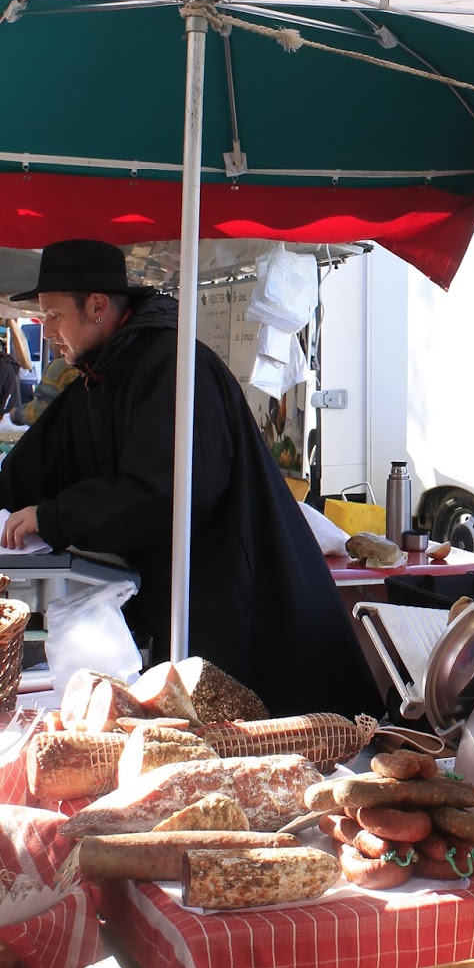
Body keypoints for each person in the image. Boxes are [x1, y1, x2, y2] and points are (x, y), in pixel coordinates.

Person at [0, 240, 382, 719]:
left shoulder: (173, 368)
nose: (46, 329)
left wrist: (53, 516)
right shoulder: (103, 376)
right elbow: (42, 461)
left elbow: (167, 492)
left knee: (270, 740)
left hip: (239, 603)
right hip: (184, 601)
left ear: (96, 306)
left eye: (54, 315)